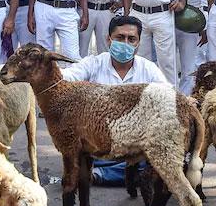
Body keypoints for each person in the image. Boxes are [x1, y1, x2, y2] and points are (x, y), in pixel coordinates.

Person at [61, 15, 167, 190]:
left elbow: (167, 95)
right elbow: (66, 78)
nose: (125, 43)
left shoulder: (149, 69)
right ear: (108, 40)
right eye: (120, 37)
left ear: (138, 43)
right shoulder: (94, 63)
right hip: (98, 142)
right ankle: (116, 172)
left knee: (155, 157)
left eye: (131, 39)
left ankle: (100, 174)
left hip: (134, 144)